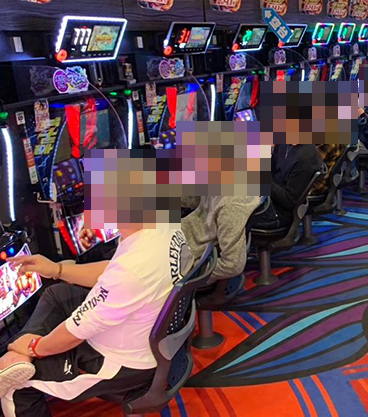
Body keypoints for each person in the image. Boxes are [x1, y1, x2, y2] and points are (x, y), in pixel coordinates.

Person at [0, 152, 193, 416]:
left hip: (121, 362)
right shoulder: (163, 222)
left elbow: (74, 332)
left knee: (16, 385)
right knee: (57, 293)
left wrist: (35, 347)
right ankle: (17, 356)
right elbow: (111, 272)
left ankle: (17, 358)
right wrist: (56, 269)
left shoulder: (133, 268)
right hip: (150, 335)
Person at [181, 196, 260, 284]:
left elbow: (232, 266)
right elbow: (196, 200)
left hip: (184, 255)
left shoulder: (231, 208)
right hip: (182, 232)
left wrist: (196, 270)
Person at [249, 144, 322, 230]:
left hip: (278, 212)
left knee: (236, 208)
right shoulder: (284, 144)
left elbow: (289, 201)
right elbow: (271, 169)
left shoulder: (305, 158)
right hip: (269, 196)